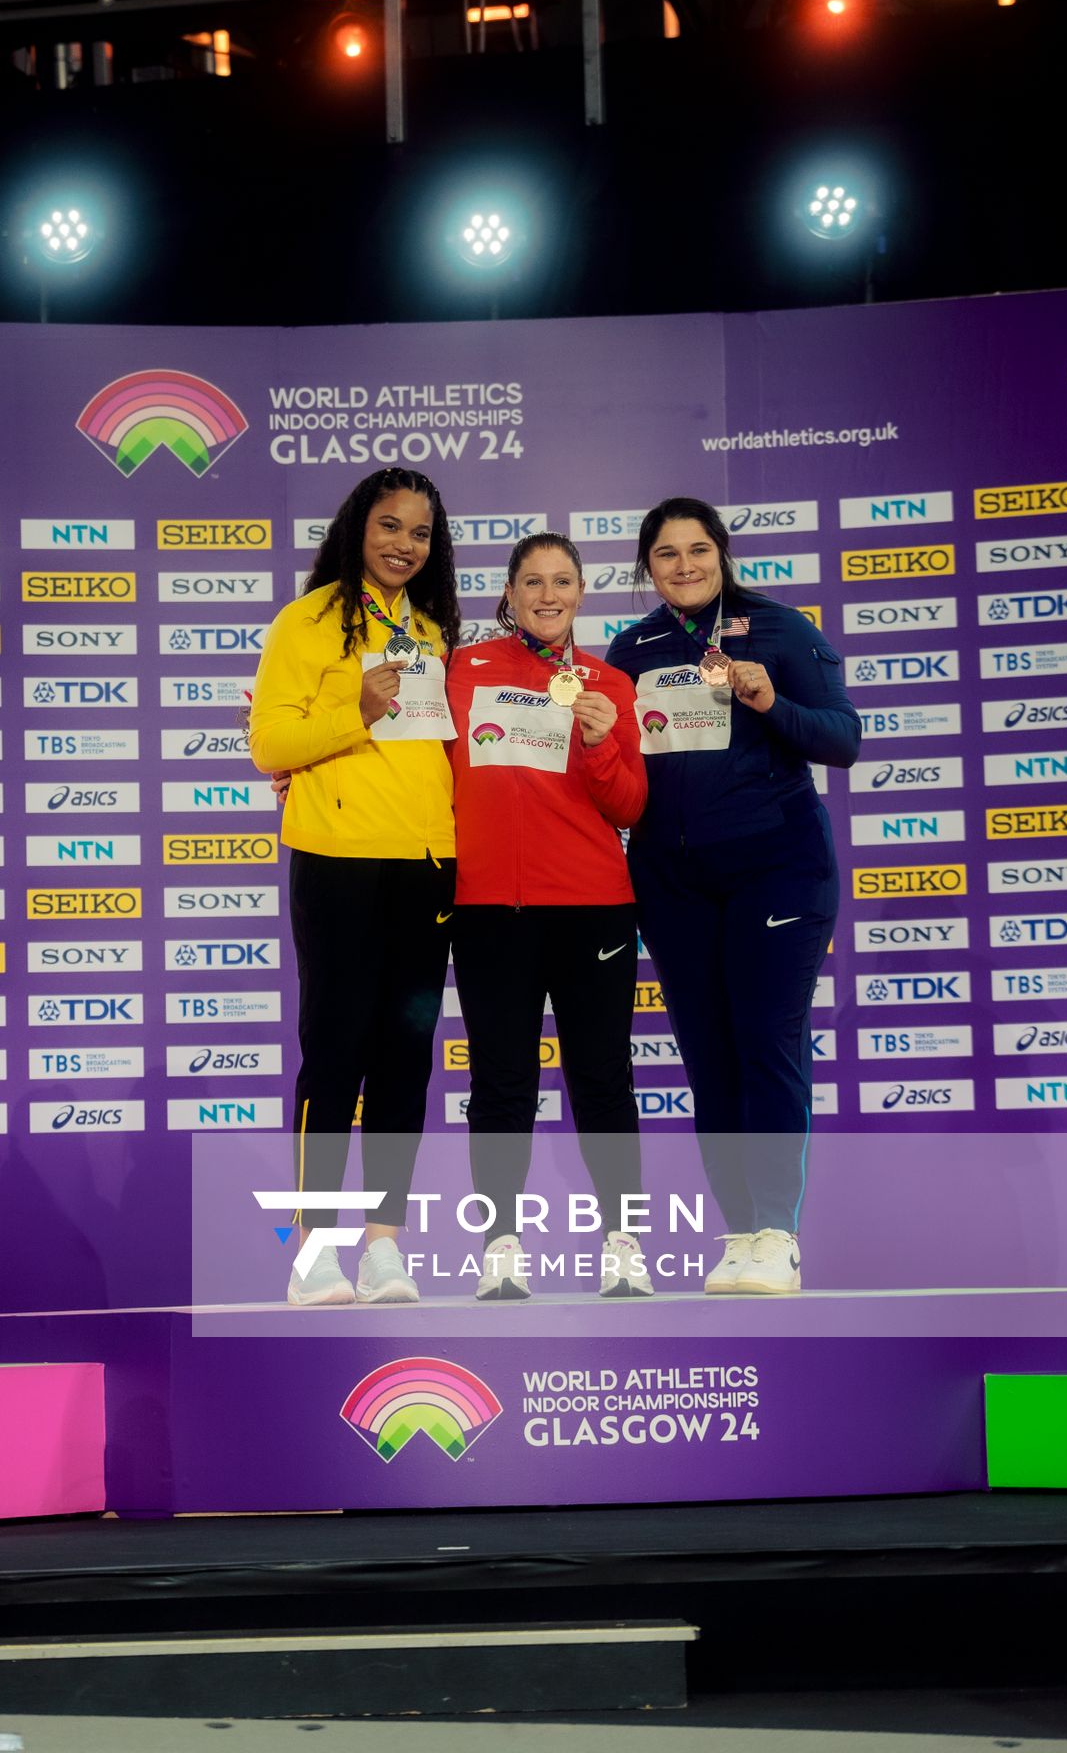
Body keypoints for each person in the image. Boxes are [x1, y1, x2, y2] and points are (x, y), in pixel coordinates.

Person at [606, 497, 861, 1296]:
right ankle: (740, 1234)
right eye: (667, 555)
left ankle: (778, 1235)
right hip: (673, 882)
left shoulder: (782, 629)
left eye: (698, 551)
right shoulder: (632, 647)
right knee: (709, 1059)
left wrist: (766, 701)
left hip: (776, 870)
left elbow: (842, 739)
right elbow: (611, 768)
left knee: (765, 1043)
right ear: (648, 568)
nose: (684, 567)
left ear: (722, 554)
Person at [249, 468, 460, 1307]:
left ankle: (383, 1248)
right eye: (389, 525)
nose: (403, 544)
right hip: (337, 862)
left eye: (419, 532)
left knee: (405, 1061)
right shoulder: (305, 621)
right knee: (333, 1055)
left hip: (425, 865)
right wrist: (354, 712)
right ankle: (312, 1254)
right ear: (356, 528)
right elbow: (269, 744)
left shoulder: (434, 631)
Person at [446, 532, 653, 1300]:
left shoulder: (609, 683)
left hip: (594, 907)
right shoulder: (462, 672)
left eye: (562, 580)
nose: (548, 594)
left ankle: (622, 1244)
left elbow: (629, 803)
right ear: (508, 592)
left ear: (580, 593)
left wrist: (600, 743)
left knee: (603, 1079)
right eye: (532, 581)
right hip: (489, 909)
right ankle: (501, 1247)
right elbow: (420, 766)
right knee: (501, 1081)